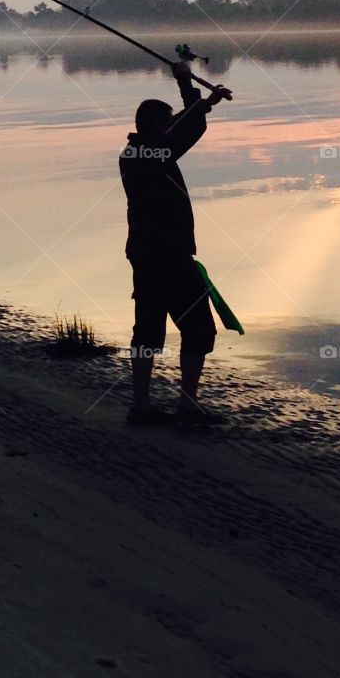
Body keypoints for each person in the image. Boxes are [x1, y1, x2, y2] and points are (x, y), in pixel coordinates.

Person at [119, 60, 231, 426]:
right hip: (168, 258)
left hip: (147, 257)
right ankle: (185, 405)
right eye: (166, 122)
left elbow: (184, 124)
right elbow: (188, 129)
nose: (170, 127)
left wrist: (204, 103)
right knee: (198, 330)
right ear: (155, 128)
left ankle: (142, 406)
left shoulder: (134, 153)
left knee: (148, 332)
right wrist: (185, 81)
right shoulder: (155, 155)